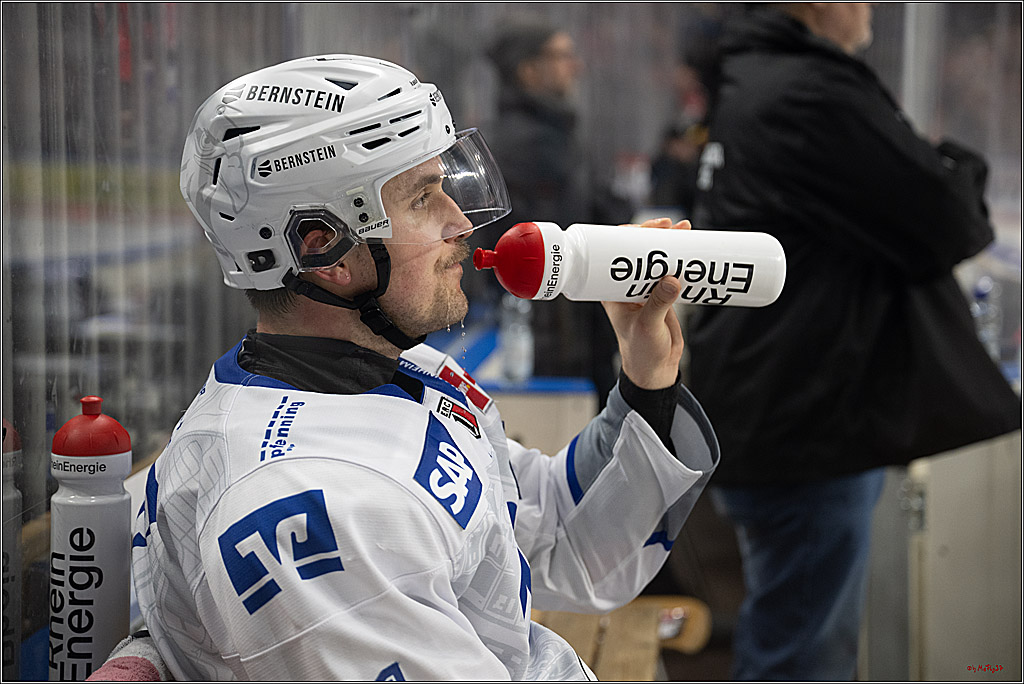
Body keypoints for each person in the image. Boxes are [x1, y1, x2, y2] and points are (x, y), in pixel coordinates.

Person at [129, 54, 720, 681]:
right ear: (322, 247)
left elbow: (559, 537)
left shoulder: (400, 375)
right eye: (422, 199)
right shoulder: (307, 509)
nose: (460, 223)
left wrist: (645, 369)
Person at [687, 4, 1021, 680]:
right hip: (807, 417)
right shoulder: (811, 94)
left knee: (796, 633)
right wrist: (955, 161)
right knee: (802, 656)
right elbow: (949, 220)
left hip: (774, 403)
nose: (869, 8)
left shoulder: (757, 81)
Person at [480, 21, 632, 406]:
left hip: (567, 334)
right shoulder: (530, 143)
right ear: (529, 70)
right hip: (555, 342)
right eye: (562, 56)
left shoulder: (553, 134)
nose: (575, 66)